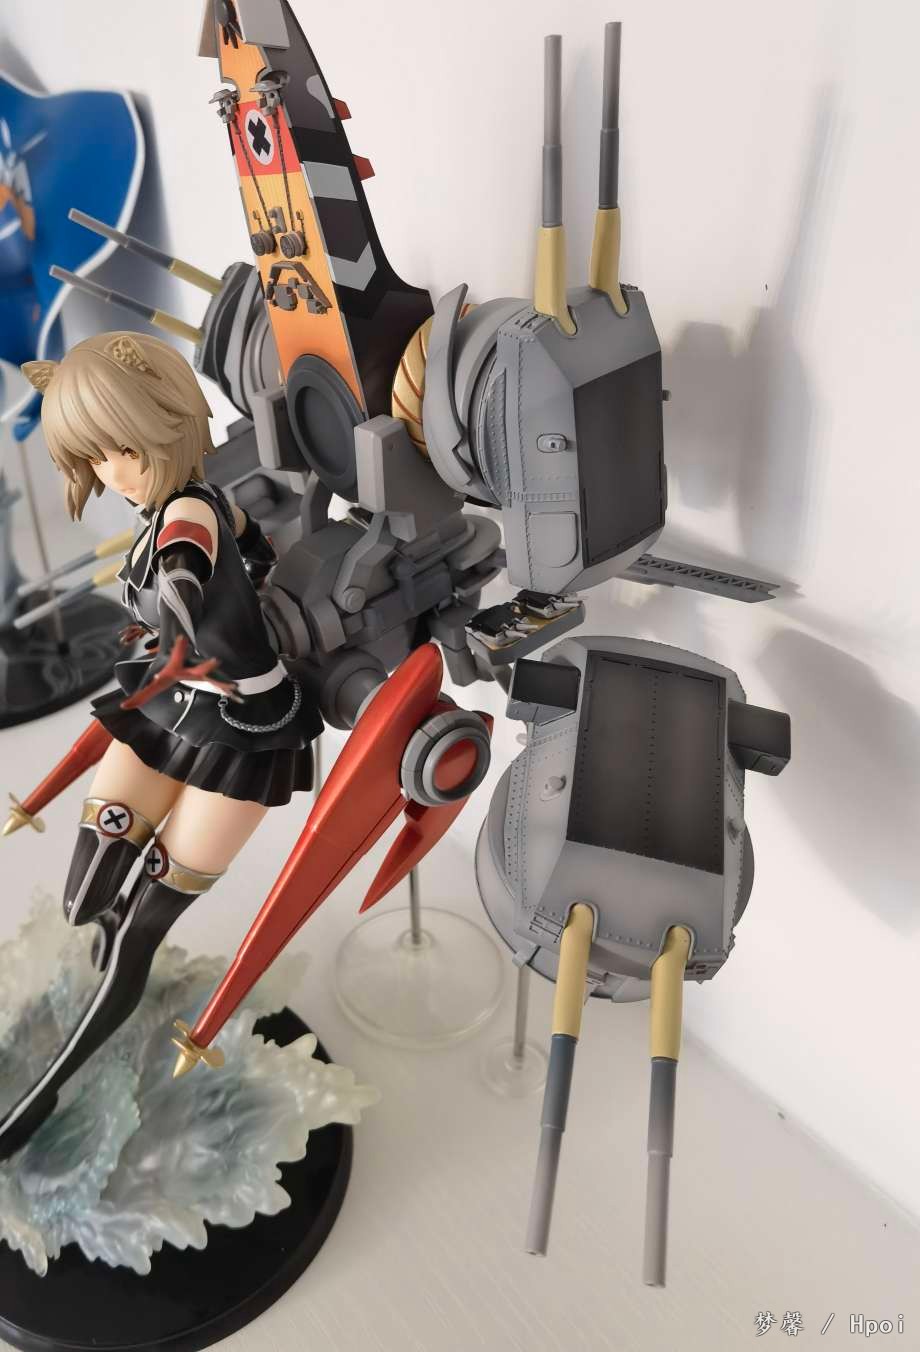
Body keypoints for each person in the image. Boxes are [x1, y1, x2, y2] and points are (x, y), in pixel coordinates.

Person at [0, 330, 322, 1158]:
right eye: (94, 456)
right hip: (168, 705)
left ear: (167, 423)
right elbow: (246, 535)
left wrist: (189, 598)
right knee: (86, 895)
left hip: (245, 734)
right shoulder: (188, 505)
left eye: (121, 451)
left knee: (136, 930)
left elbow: (191, 553)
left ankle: (49, 1091)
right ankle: (82, 1016)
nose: (109, 473)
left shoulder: (183, 515)